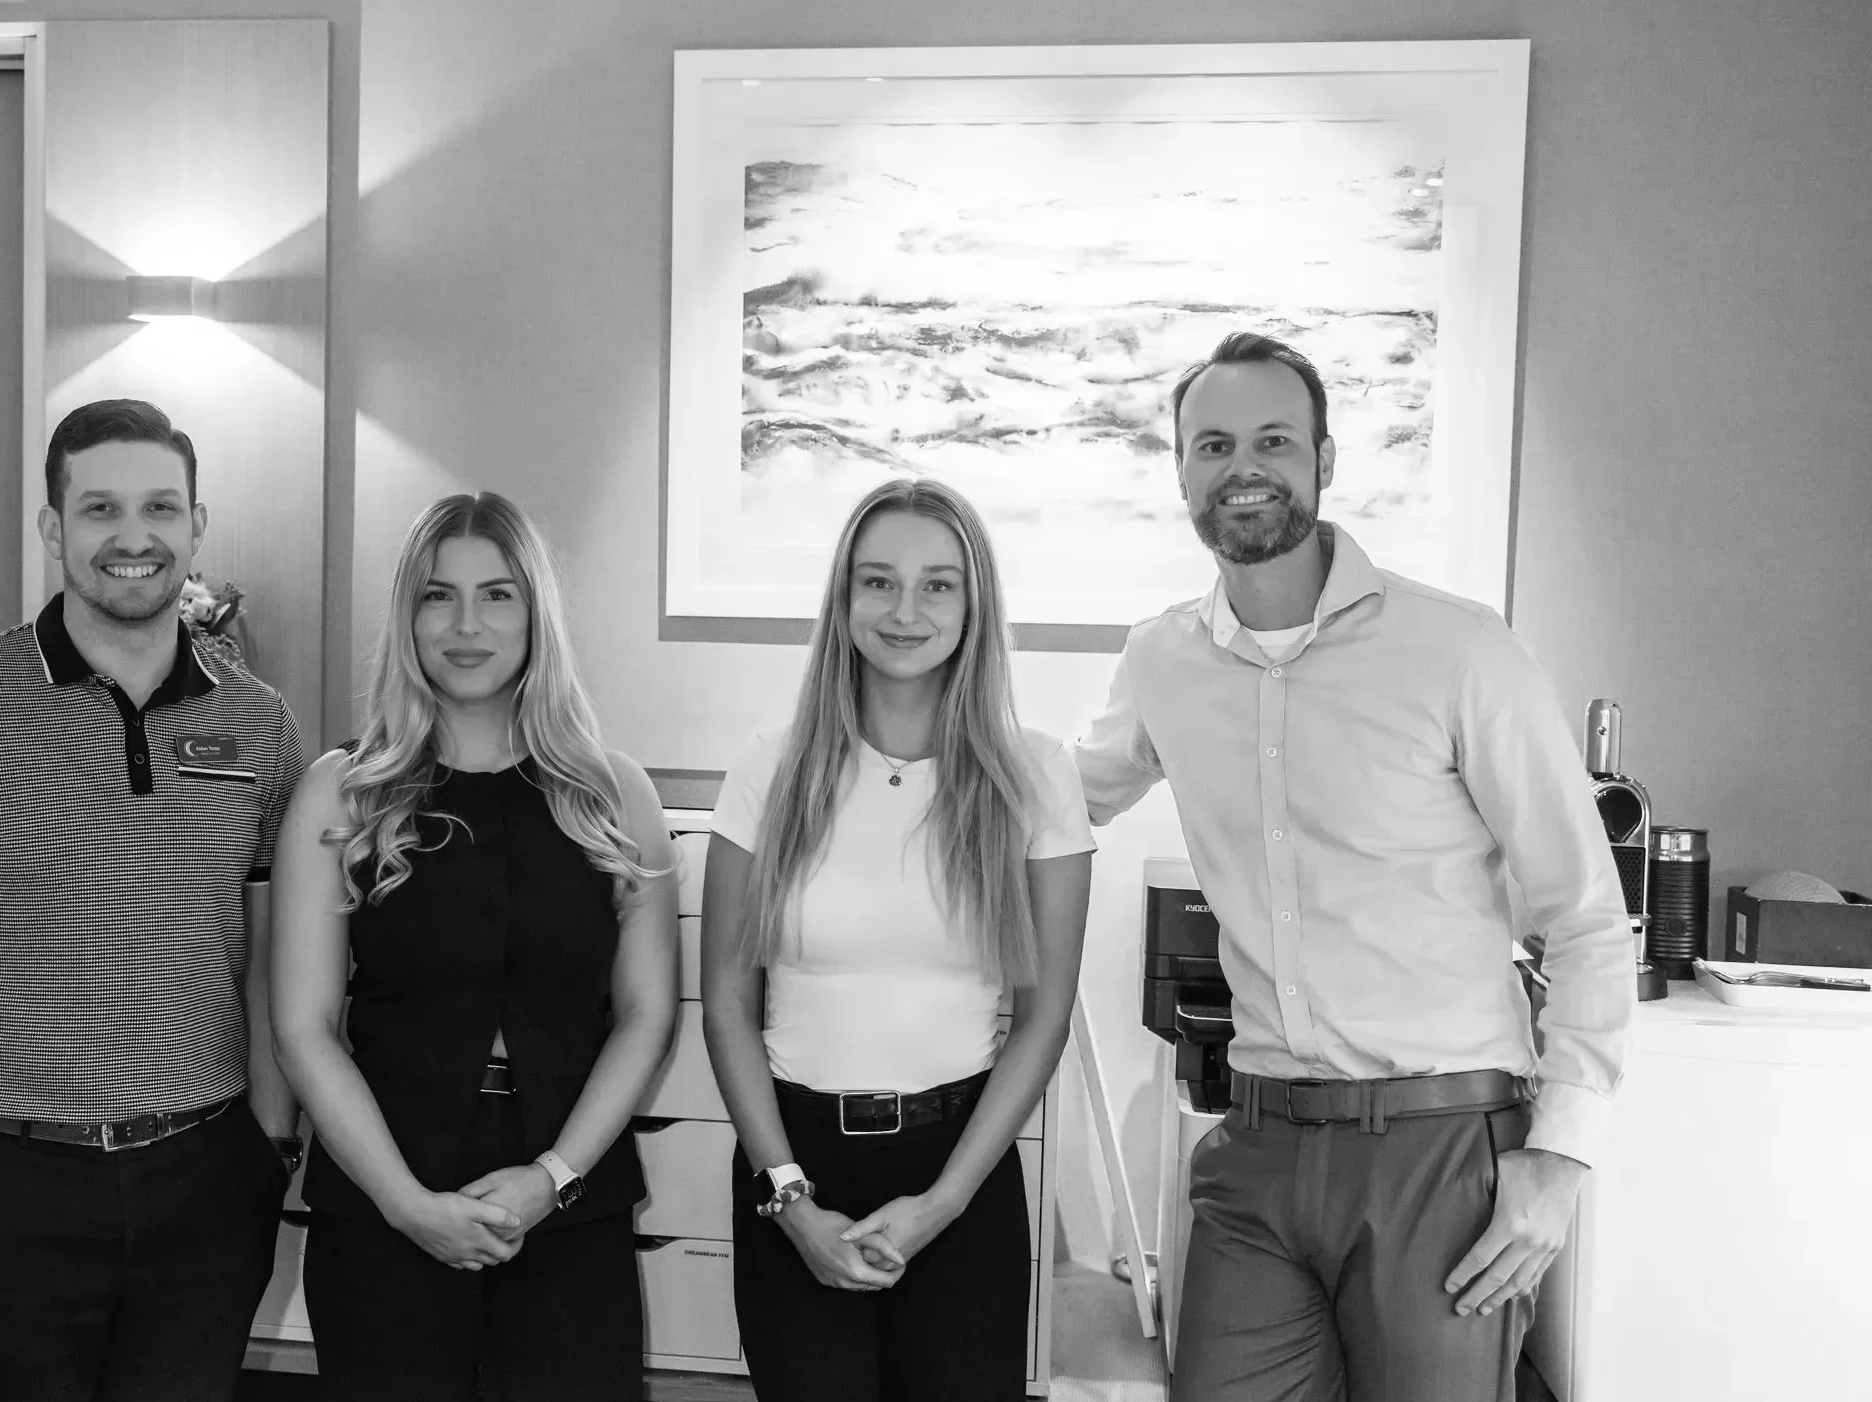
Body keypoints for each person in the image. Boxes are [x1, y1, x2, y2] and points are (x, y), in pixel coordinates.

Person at [1074, 332, 1634, 1402]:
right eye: (1214, 443)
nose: (1244, 464)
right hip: (1258, 1146)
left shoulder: (1462, 650)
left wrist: (1558, 1156)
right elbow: (1058, 794)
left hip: (1436, 1145)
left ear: (1325, 461)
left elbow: (1586, 916)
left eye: (1274, 439)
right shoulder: (1161, 660)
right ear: (1181, 470)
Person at [0, 399, 307, 1402]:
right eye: (99, 509)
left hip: (203, 1183)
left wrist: (268, 1150)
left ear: (195, 526)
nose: (133, 538)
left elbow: (271, 961)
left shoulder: (261, 725)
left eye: (159, 509)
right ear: (54, 529)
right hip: (2, 1190)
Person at [268, 492, 679, 1401]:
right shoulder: (341, 793)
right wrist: (405, 1203)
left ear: (536, 615)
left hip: (569, 1199)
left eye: (496, 595)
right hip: (383, 1196)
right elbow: (302, 1027)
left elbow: (646, 1015)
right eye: (435, 596)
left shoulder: (615, 794)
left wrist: (552, 1177)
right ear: (405, 616)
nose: (464, 625)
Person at [699, 477, 1096, 1401]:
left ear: (973, 603)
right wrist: (791, 1201)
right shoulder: (771, 768)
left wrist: (943, 1203)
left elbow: (1044, 1017)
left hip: (960, 1164)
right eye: (876, 582)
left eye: (936, 585)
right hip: (793, 1165)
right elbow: (726, 1005)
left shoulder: (1035, 777)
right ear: (842, 601)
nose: (904, 610)